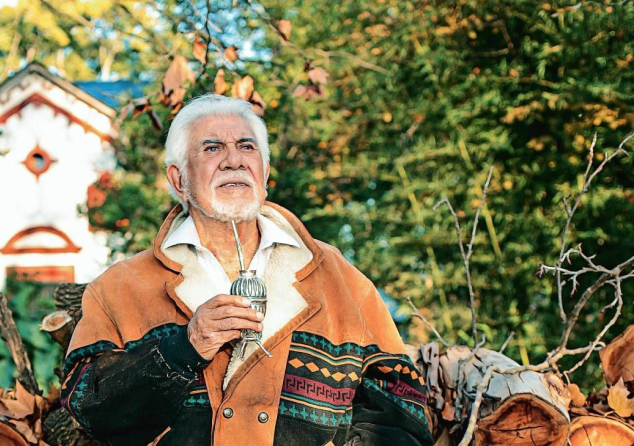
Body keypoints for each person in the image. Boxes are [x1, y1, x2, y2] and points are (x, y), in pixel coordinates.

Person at [61, 94, 433, 445]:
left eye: (246, 146)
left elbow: (401, 406)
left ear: (265, 171)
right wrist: (182, 348)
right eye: (212, 148)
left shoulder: (336, 277)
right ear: (178, 180)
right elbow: (90, 408)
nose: (233, 160)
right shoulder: (120, 288)